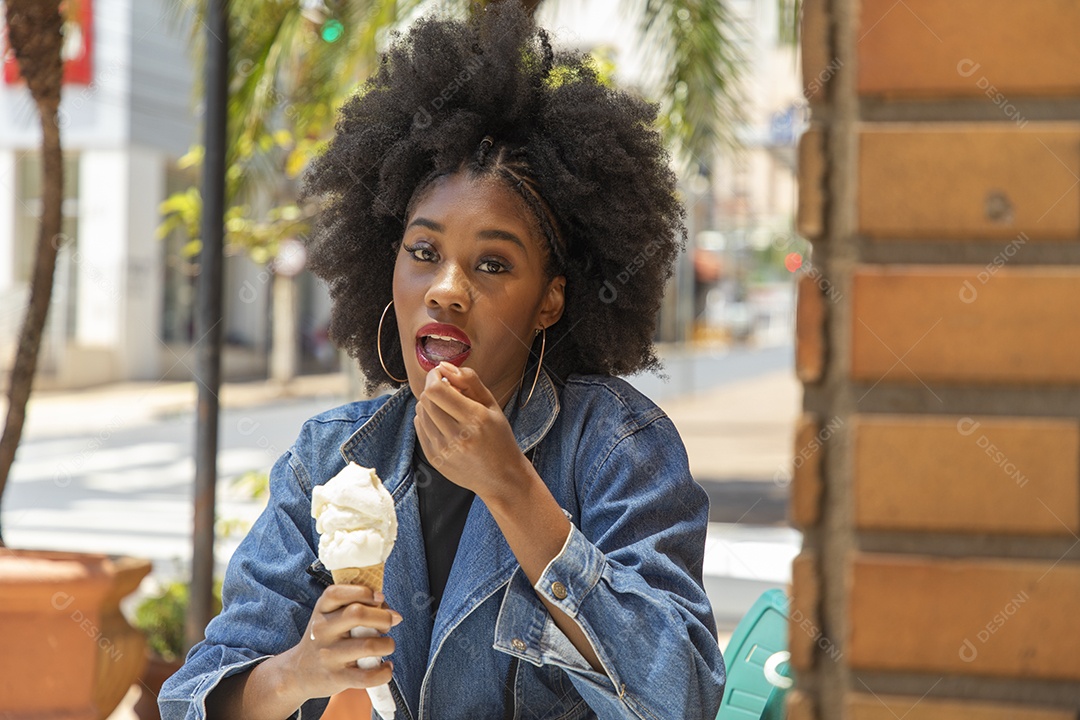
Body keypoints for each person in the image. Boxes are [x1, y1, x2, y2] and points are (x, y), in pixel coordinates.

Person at [160, 5, 726, 719]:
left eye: (492, 264)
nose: (448, 290)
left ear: (550, 300)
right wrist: (299, 671)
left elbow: (682, 693)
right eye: (423, 253)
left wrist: (513, 487)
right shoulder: (331, 456)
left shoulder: (616, 446)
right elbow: (192, 701)